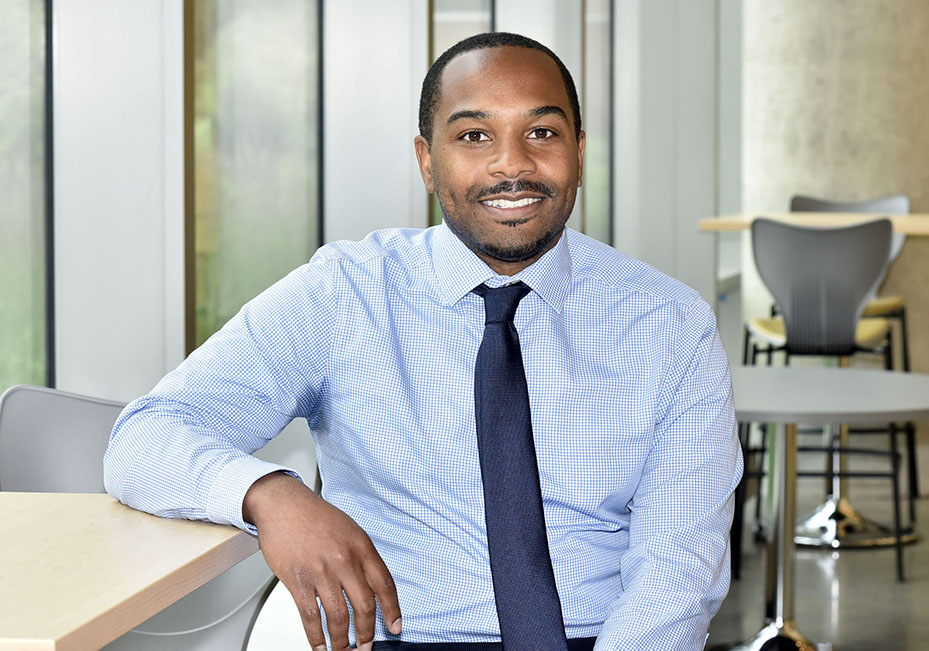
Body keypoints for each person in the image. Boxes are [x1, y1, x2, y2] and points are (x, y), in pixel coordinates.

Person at [105, 32, 741, 651]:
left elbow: (678, 569)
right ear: (427, 161)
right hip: (404, 638)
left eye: (541, 133)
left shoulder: (670, 323)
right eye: (473, 136)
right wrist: (270, 493)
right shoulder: (344, 293)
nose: (512, 163)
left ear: (578, 151)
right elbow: (146, 437)